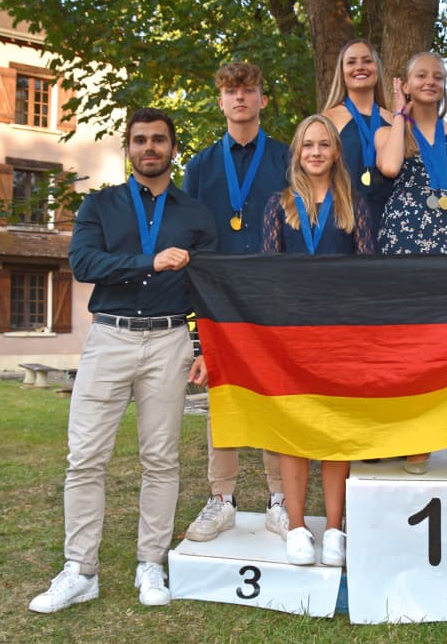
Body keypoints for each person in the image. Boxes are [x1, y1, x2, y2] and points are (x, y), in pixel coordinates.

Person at [29, 108, 217, 613]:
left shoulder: (196, 214)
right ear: (127, 148)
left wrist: (204, 347)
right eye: (139, 140)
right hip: (109, 337)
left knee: (161, 459)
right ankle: (80, 571)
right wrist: (148, 262)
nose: (149, 148)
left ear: (173, 148)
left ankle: (150, 564)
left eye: (158, 140)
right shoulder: (99, 205)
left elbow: (210, 286)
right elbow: (84, 264)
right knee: (85, 457)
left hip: (169, 340)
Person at [181, 62, 290, 542]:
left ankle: (280, 500)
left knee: (273, 397)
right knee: (222, 401)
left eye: (249, 90)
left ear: (263, 100)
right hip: (219, 298)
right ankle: (221, 498)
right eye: (231, 91)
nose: (240, 98)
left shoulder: (287, 158)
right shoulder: (200, 166)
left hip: (272, 296)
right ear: (220, 101)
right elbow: (187, 234)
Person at [261, 114, 376, 565]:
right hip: (291, 333)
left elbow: (369, 271)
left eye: (323, 145)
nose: (315, 152)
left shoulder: (355, 205)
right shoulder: (279, 204)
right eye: (307, 144)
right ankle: (295, 526)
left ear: (335, 153)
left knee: (334, 431)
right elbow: (267, 273)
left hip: (340, 333)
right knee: (294, 431)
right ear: (297, 152)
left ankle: (333, 528)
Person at [375, 50, 447, 478]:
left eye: (438, 76)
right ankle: (418, 440)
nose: (431, 81)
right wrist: (399, 114)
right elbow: (387, 167)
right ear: (405, 84)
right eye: (420, 76)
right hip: (402, 246)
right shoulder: (391, 131)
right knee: (410, 346)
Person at [320, 39, 396, 237]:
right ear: (342, 72)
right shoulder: (326, 120)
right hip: (342, 221)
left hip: (390, 223)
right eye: (351, 62)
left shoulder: (395, 120)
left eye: (367, 61)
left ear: (377, 69)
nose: (360, 67)